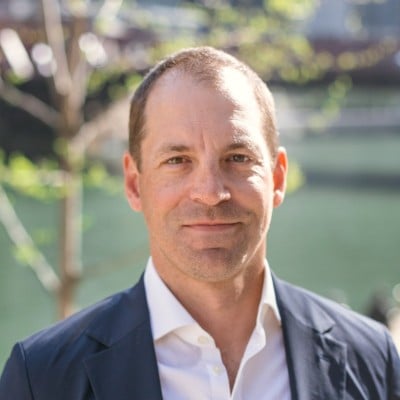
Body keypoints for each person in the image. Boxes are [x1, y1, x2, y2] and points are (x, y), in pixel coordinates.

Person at [0, 46, 399, 400]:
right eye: (177, 161)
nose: (210, 192)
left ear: (278, 178)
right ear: (135, 184)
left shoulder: (372, 359)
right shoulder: (42, 379)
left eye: (238, 158)